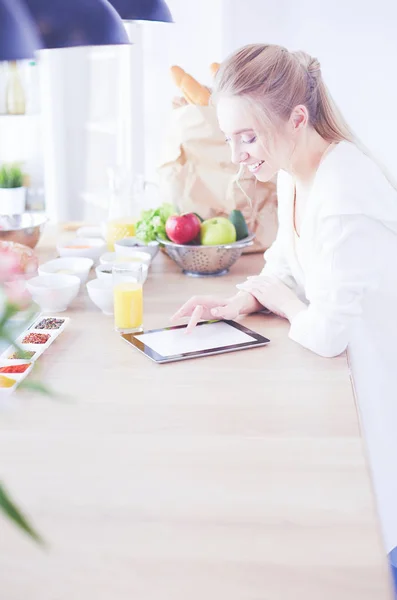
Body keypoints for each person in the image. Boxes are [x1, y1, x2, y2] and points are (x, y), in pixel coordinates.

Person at [171, 44, 397, 559]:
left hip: (384, 398)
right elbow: (286, 259)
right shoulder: (298, 172)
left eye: (247, 137)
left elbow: (328, 332)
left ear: (297, 118)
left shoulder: (345, 194)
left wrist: (285, 304)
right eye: (230, 139)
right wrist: (243, 299)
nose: (237, 155)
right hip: (355, 388)